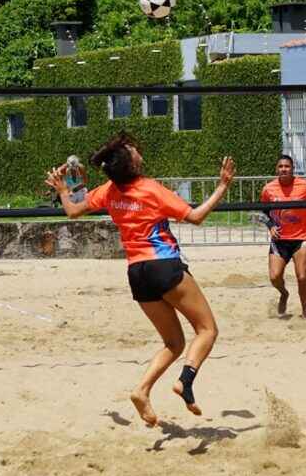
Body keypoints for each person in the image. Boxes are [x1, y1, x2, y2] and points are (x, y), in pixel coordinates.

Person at [45, 131, 235, 426]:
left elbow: (72, 210)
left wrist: (63, 188)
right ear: (131, 164)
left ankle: (142, 390)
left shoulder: (110, 190)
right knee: (207, 330)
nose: (138, 152)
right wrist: (222, 187)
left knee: (173, 342)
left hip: (137, 273)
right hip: (163, 265)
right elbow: (196, 217)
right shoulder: (149, 188)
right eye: (135, 151)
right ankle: (186, 380)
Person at [260, 154, 306, 319]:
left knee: (302, 276)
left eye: (287, 166)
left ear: (292, 169)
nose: (284, 169)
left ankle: (305, 312)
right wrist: (270, 226)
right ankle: (284, 293)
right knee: (275, 277)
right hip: (280, 240)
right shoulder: (269, 189)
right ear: (277, 169)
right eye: (281, 166)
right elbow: (263, 210)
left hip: (301, 238)